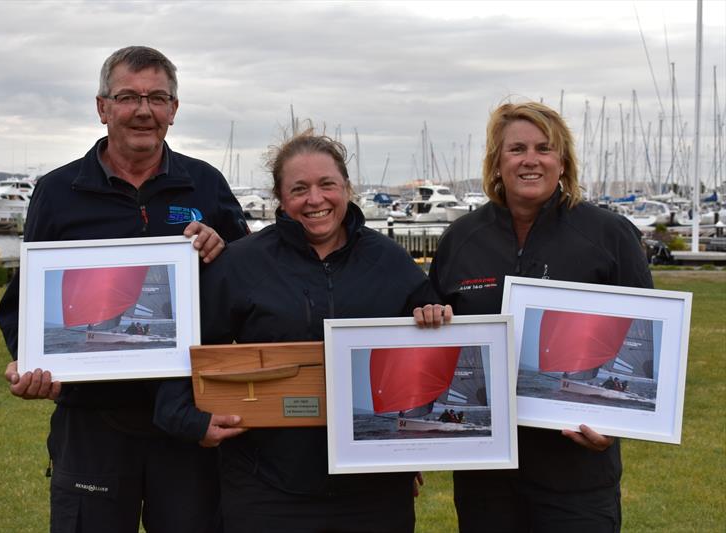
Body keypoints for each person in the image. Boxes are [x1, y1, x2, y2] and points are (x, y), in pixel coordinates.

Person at [0, 46, 248, 533]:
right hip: (93, 421)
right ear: (103, 107)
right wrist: (32, 361)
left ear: (173, 109)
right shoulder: (57, 190)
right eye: (128, 96)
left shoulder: (206, 185)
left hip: (187, 416)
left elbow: (250, 289)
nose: (143, 110)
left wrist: (226, 250)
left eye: (157, 97)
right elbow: (22, 303)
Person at [154, 128, 450, 532]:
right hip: (267, 487)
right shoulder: (240, 264)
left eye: (327, 184)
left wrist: (434, 318)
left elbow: (433, 343)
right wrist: (188, 420)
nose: (315, 200)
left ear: (346, 187)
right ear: (281, 197)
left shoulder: (391, 261)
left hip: (374, 492)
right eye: (299, 189)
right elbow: (187, 346)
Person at [427, 101, 653, 532]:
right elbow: (436, 342)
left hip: (578, 470)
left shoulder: (609, 234)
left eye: (544, 148)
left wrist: (616, 426)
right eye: (516, 149)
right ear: (497, 163)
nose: (531, 159)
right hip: (486, 473)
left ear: (563, 162)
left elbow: (642, 331)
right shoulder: (461, 240)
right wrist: (428, 317)